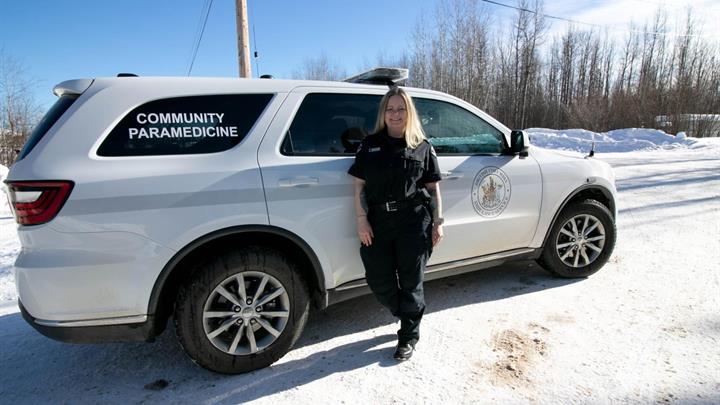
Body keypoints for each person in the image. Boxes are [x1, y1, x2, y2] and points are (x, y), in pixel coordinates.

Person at [347, 86, 444, 361]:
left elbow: (433, 188)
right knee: (378, 279)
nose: (395, 114)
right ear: (383, 113)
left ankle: (408, 336)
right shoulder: (369, 144)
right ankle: (408, 313)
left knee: (412, 280)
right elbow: (358, 187)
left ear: (408, 112)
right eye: (390, 109)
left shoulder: (422, 146)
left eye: (401, 108)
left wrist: (438, 221)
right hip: (378, 220)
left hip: (414, 220)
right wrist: (361, 219)